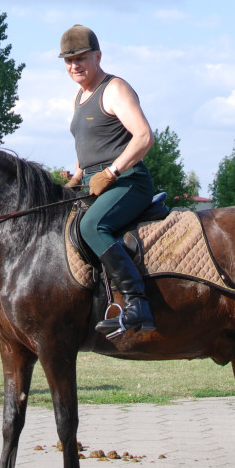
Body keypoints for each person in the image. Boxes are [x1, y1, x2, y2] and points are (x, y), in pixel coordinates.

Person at [60, 24, 156, 336]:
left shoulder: (114, 89)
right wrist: (75, 177)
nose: (75, 65)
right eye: (68, 60)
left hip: (128, 181)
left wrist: (111, 172)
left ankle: (137, 304)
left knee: (92, 227)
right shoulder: (79, 96)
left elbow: (144, 137)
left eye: (81, 58)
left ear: (98, 56)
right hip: (94, 182)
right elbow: (88, 145)